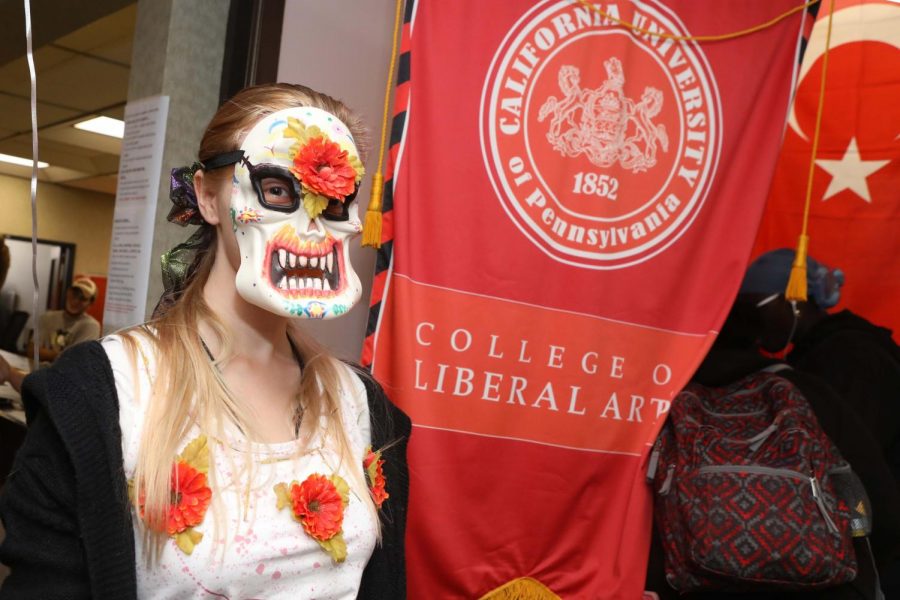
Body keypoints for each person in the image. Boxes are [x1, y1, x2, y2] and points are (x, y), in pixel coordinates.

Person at [0, 83, 410, 599]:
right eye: (278, 192)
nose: (310, 227)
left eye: (335, 200)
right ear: (207, 197)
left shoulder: (361, 405)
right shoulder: (102, 395)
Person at [31, 276, 101, 363]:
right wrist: (58, 355)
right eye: (74, 295)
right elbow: (31, 350)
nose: (75, 301)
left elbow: (74, 360)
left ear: (90, 303)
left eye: (82, 299)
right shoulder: (47, 317)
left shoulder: (91, 326)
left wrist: (45, 353)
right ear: (68, 293)